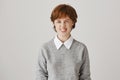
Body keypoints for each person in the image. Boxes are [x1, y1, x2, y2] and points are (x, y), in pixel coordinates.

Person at [36, 4, 91, 80]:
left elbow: (85, 77)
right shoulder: (45, 48)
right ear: (54, 23)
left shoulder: (81, 48)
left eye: (66, 21)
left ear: (73, 23)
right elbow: (40, 76)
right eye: (59, 21)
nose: (63, 25)